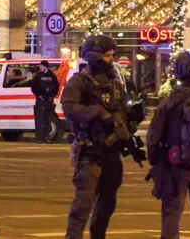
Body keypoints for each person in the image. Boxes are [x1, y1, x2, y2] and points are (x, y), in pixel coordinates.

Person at [62, 35, 136, 239]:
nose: (111, 60)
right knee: (82, 206)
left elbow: (122, 107)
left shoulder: (115, 82)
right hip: (90, 152)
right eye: (108, 56)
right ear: (95, 56)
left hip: (111, 154)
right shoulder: (79, 82)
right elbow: (69, 109)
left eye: (112, 55)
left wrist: (129, 122)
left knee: (107, 204)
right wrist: (96, 112)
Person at [146, 51, 190, 239]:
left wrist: (156, 160)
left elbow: (153, 137)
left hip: (175, 167)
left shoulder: (170, 101)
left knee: (172, 216)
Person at [31, 60, 59, 143]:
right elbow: (33, 87)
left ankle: (47, 137)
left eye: (41, 66)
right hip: (40, 100)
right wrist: (38, 95)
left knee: (47, 119)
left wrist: (52, 96)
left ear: (45, 66)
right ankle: (39, 138)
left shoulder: (52, 76)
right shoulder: (38, 76)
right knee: (39, 119)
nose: (40, 67)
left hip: (49, 100)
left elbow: (56, 87)